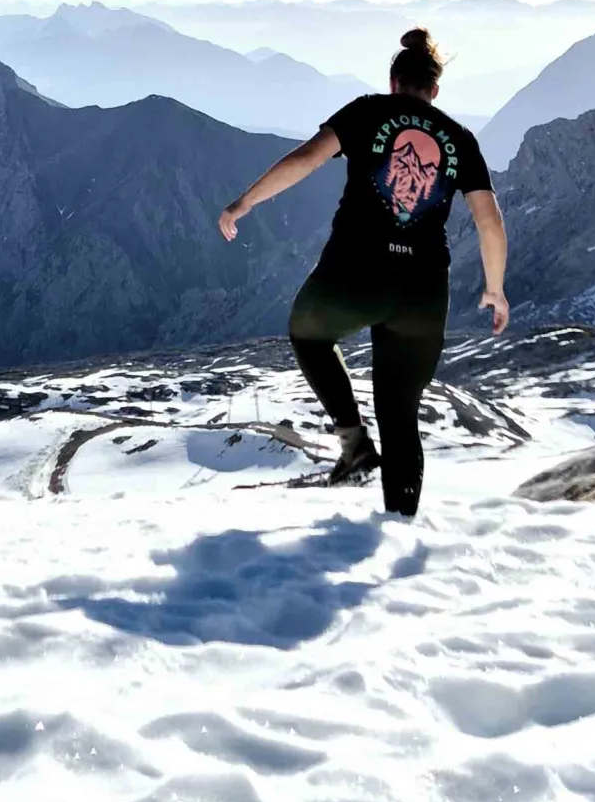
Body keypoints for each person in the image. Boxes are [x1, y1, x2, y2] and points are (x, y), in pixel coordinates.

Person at [217, 28, 508, 508]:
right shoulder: (460, 139)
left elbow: (306, 159)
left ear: (394, 82)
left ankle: (353, 445)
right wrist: (494, 289)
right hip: (423, 293)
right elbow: (490, 224)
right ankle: (399, 527)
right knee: (400, 414)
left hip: (355, 273)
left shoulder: (368, 110)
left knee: (308, 334)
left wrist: (244, 203)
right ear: (434, 91)